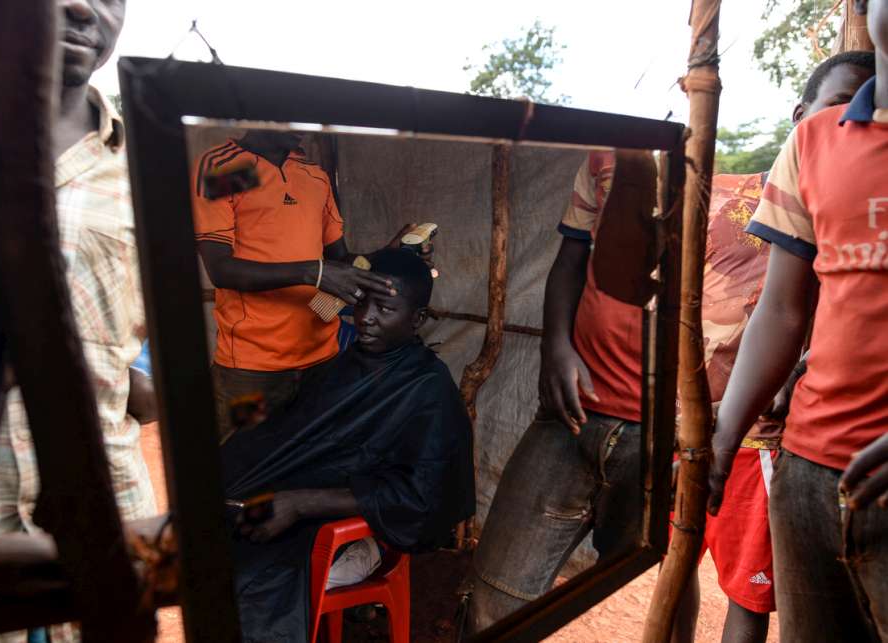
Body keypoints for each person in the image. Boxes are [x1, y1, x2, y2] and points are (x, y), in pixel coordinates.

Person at [0, 1, 157, 641]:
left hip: (108, 501)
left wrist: (128, 378)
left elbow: (152, 343)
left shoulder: (148, 172)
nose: (80, 6)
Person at [675, 51, 876, 643]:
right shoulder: (731, 193)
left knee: (749, 591)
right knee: (687, 564)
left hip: (773, 442)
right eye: (834, 105)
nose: (844, 120)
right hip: (747, 440)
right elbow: (776, 310)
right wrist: (716, 428)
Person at [220, 248, 475, 642]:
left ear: (418, 319)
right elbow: (296, 442)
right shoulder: (347, 362)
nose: (366, 318)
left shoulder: (429, 389)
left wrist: (300, 502)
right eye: (361, 303)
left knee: (249, 583)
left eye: (384, 309)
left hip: (361, 535)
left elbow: (422, 494)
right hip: (295, 502)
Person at [468, 149, 648, 631]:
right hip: (573, 410)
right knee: (496, 597)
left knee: (643, 598)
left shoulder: (773, 178)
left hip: (668, 436)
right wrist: (555, 348)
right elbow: (572, 257)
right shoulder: (610, 156)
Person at [191, 131, 425, 440]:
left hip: (322, 361)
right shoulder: (229, 169)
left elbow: (340, 260)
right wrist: (312, 273)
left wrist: (386, 255)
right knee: (238, 467)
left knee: (306, 464)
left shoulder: (313, 176)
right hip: (253, 368)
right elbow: (221, 269)